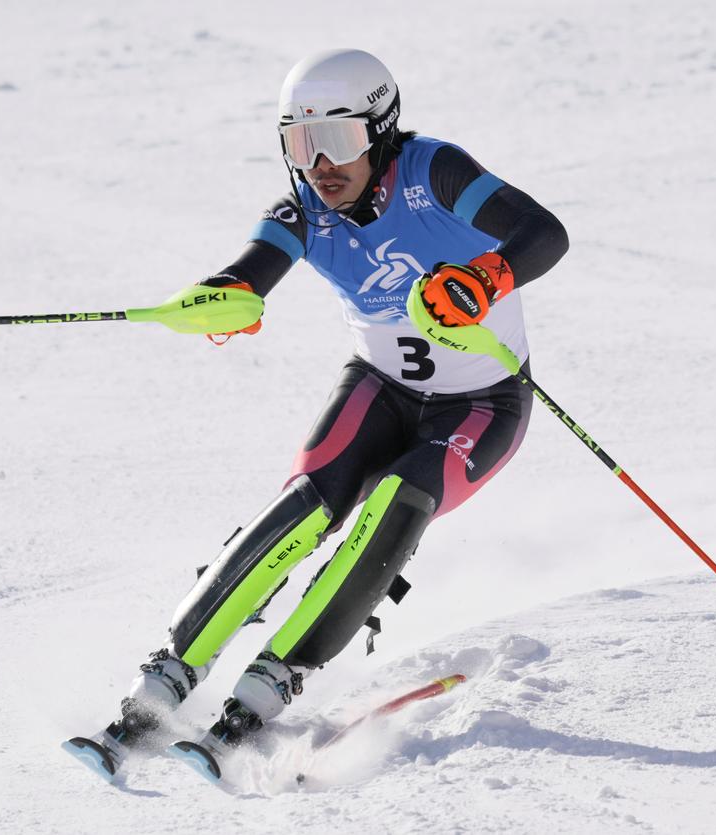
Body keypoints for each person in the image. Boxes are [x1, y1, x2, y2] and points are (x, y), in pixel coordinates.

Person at [69, 48, 568, 778]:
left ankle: (272, 679)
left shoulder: (435, 173)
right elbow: (253, 267)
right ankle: (169, 675)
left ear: (382, 130)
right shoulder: (305, 206)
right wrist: (224, 295)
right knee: (307, 505)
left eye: (335, 141)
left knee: (401, 498)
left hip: (482, 405)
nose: (318, 166)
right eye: (299, 145)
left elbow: (544, 233)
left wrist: (483, 276)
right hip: (381, 390)